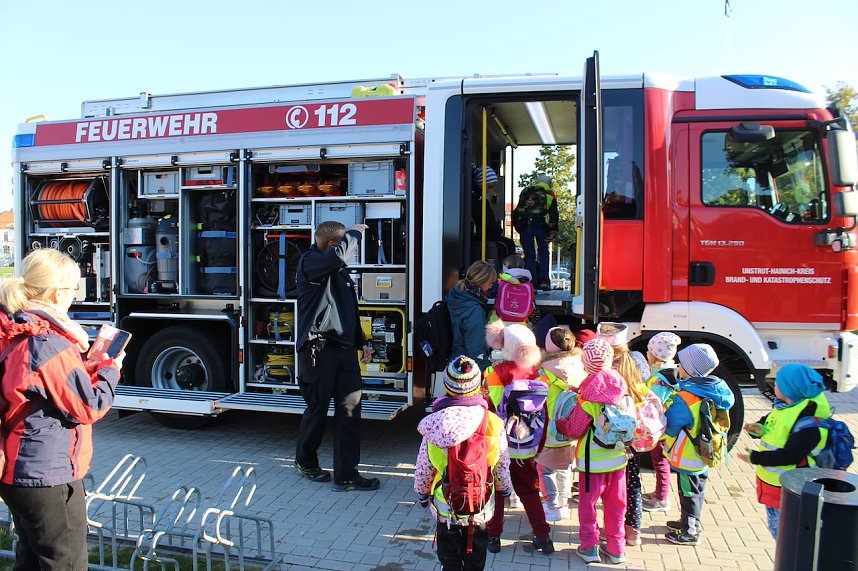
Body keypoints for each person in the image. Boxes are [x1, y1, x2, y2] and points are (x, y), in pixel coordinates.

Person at [0, 249, 122, 570]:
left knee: (31, 557)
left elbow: (48, 390)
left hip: (17, 472)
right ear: (57, 293)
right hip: (46, 474)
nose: (73, 297)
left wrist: (87, 367)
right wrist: (110, 367)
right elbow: (87, 406)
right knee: (64, 563)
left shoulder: (14, 328)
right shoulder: (48, 343)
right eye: (72, 290)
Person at [294, 221, 380, 491]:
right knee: (317, 411)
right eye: (345, 242)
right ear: (333, 244)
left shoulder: (339, 271)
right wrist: (355, 232)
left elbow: (348, 309)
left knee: (350, 411)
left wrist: (361, 342)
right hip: (318, 351)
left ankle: (347, 475)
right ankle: (305, 462)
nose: (351, 249)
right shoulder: (310, 262)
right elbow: (340, 254)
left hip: (344, 351)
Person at [414, 356, 513, 571]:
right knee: (476, 558)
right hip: (480, 504)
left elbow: (424, 465)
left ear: (446, 386)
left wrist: (422, 493)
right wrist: (505, 489)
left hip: (446, 504)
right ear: (478, 385)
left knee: (448, 557)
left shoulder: (434, 423)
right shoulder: (493, 423)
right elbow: (501, 464)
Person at [482, 322, 553, 555]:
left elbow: (487, 411)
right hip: (527, 447)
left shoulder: (493, 375)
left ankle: (493, 538)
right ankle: (543, 537)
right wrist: (538, 447)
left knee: (498, 492)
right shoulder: (540, 377)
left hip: (500, 446)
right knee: (530, 492)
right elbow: (545, 416)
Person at [555, 338, 629, 565]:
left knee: (588, 505)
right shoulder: (622, 387)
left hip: (592, 461)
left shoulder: (588, 395)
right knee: (616, 505)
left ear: (586, 365)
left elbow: (575, 429)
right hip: (618, 459)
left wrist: (560, 424)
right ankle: (617, 548)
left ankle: (589, 547)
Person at [737, 364, 831, 540]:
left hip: (792, 491)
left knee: (787, 540)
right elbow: (772, 426)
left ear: (790, 389)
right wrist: (758, 428)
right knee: (779, 536)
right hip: (775, 488)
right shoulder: (786, 407)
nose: (775, 386)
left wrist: (755, 457)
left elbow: (790, 456)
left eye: (778, 384)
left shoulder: (809, 423)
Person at [662, 344, 735, 545]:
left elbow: (672, 425)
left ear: (691, 370)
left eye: (682, 363)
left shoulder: (686, 397)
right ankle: (688, 521)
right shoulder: (716, 390)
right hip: (705, 450)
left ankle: (690, 532)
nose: (678, 366)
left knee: (688, 492)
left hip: (688, 454)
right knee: (697, 490)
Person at [596, 322, 650, 547]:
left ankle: (612, 530)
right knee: (633, 483)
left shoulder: (606, 370)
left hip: (613, 438)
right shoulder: (636, 361)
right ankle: (633, 530)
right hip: (636, 434)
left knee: (613, 488)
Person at [536, 327, 586, 522]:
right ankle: (563, 503)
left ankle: (552, 504)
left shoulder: (544, 373)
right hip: (573, 430)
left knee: (545, 470)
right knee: (565, 468)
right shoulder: (580, 368)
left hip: (549, 431)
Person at [642, 332, 682, 513]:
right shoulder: (672, 373)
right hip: (668, 425)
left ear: (654, 355)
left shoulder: (659, 380)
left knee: (660, 461)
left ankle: (662, 498)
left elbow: (653, 405)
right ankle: (660, 493)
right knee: (660, 460)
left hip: (660, 427)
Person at [447, 261, 497, 371]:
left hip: (455, 362)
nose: (491, 287)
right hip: (467, 369)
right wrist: (486, 370)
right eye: (491, 283)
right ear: (482, 281)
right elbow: (476, 349)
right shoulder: (474, 311)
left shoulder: (456, 296)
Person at [512, 179, 559, 291]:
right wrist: (553, 230)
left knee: (529, 255)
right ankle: (544, 280)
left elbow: (516, 213)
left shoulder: (526, 193)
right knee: (543, 252)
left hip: (525, 227)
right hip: (541, 227)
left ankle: (531, 282)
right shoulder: (549, 196)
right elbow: (553, 215)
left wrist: (519, 228)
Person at [471, 165, 515, 267]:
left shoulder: (478, 198)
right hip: (484, 235)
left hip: (484, 233)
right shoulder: (479, 200)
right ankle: (509, 269)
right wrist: (497, 230)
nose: (491, 190)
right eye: (489, 187)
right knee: (508, 245)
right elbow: (486, 220)